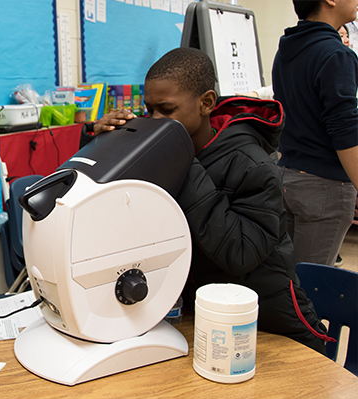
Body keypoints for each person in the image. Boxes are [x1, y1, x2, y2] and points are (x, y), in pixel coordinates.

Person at [80, 47, 330, 353]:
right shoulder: (162, 152)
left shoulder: (254, 166)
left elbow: (240, 255)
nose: (157, 120)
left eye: (167, 110)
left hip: (269, 326)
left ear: (206, 103)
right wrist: (103, 145)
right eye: (149, 110)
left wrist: (180, 161)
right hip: (198, 320)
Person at [272, 0, 358, 267]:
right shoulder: (336, 55)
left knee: (291, 283)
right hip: (325, 187)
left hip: (288, 179)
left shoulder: (286, 49)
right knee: (313, 289)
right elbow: (345, 130)